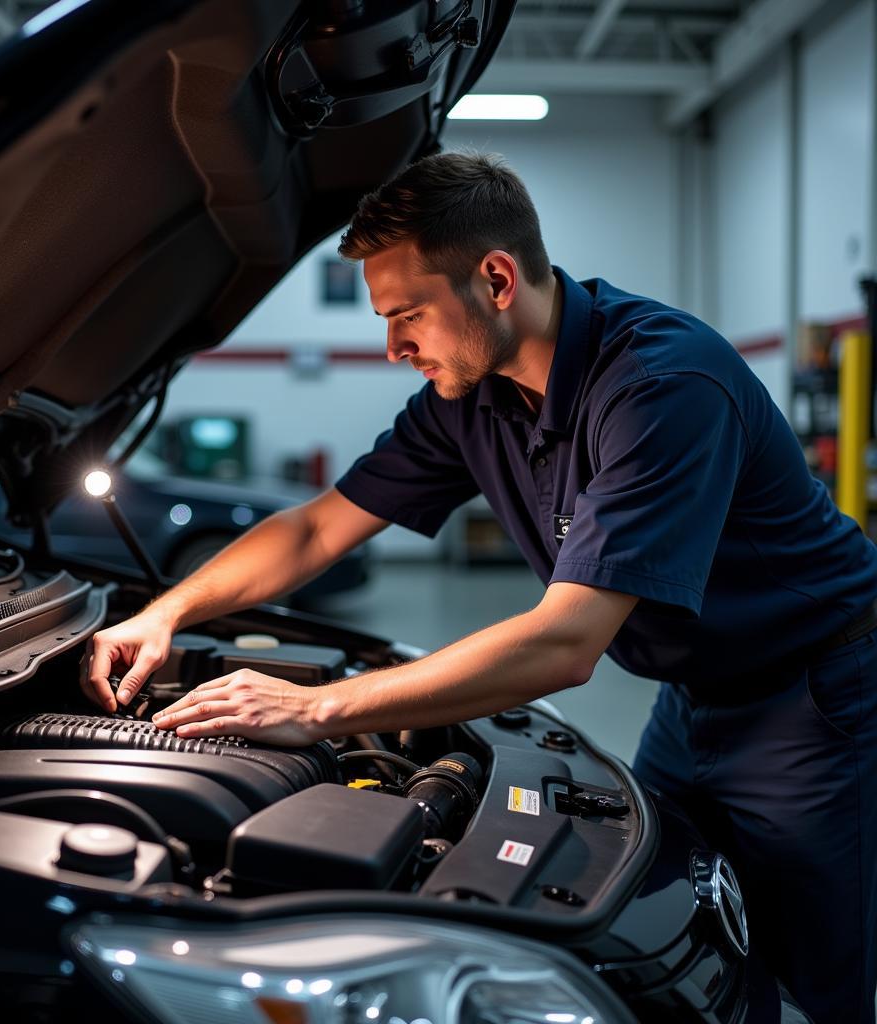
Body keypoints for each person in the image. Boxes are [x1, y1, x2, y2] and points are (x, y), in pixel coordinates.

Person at [82, 152, 876, 1023]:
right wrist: (164, 614)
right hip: (693, 697)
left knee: (810, 974)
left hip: (814, 695)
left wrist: (316, 709)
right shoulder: (471, 393)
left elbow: (568, 642)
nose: (393, 348)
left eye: (408, 315)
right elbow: (316, 528)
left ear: (496, 279)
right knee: (673, 925)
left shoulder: (661, 385)